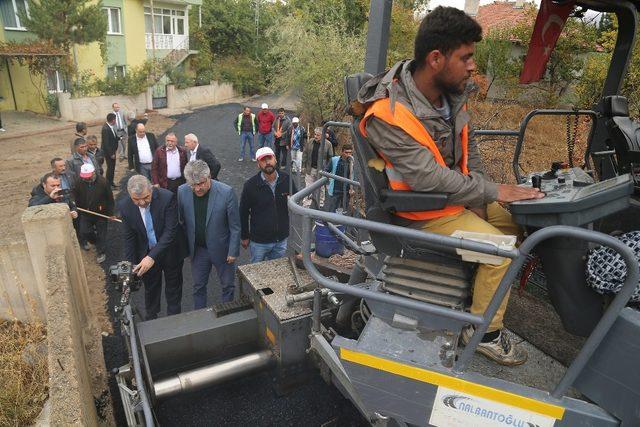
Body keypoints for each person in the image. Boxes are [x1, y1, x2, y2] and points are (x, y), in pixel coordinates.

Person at [356, 6, 544, 366]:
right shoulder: (387, 114)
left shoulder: (449, 94)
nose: (473, 66)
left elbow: (468, 149)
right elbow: (426, 177)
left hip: (452, 200)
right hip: (419, 210)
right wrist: (490, 191)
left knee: (520, 227)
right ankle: (484, 333)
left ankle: (476, 295)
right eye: (466, 57)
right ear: (436, 58)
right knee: (501, 251)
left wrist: (482, 191)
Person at [119, 175, 185, 320]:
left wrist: (151, 257)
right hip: (146, 253)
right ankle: (151, 316)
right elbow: (129, 237)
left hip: (170, 252)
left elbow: (170, 232)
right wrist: (130, 265)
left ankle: (174, 319)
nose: (142, 202)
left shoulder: (167, 198)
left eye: (146, 197)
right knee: (151, 287)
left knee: (173, 287)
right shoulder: (125, 206)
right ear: (129, 194)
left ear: (152, 190)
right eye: (136, 200)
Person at [177, 160, 240, 308]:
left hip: (223, 250)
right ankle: (200, 319)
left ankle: (227, 313)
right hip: (198, 251)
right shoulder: (182, 191)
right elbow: (181, 222)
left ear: (209, 176)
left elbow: (235, 226)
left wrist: (233, 251)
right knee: (198, 286)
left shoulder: (226, 192)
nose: (197, 188)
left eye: (201, 184)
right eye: (193, 185)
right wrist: (185, 248)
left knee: (228, 286)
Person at [240, 147, 298, 263]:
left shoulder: (286, 179)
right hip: (259, 242)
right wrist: (244, 236)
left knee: (276, 273)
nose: (267, 163)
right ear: (258, 164)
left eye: (269, 158)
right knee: (257, 273)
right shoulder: (250, 186)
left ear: (275, 159)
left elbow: (296, 199)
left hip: (281, 239)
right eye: (263, 160)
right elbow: (243, 212)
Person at [73, 164, 114, 263]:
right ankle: (96, 242)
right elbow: (75, 196)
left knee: (101, 234)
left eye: (88, 176)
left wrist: (111, 212)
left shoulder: (103, 182)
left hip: (101, 213)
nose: (86, 179)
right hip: (85, 212)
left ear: (94, 173)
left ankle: (101, 252)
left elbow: (110, 198)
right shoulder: (79, 182)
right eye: (84, 177)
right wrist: (76, 206)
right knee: (85, 231)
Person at [302, 127, 333, 207]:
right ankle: (307, 203)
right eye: (315, 134)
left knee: (321, 187)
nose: (315, 136)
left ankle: (321, 202)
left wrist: (327, 169)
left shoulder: (328, 144)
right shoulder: (310, 142)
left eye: (318, 135)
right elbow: (305, 154)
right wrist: (303, 166)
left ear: (323, 136)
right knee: (308, 186)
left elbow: (330, 158)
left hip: (322, 169)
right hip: (310, 168)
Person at [324, 144, 354, 213]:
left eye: (350, 153)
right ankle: (328, 222)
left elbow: (354, 176)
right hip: (336, 190)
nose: (348, 155)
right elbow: (326, 171)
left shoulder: (352, 162)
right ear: (342, 152)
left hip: (347, 191)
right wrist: (328, 183)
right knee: (332, 209)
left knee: (345, 211)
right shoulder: (334, 160)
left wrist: (352, 189)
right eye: (346, 152)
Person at [101, 113, 119, 188]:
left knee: (112, 167)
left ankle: (111, 182)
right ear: (113, 120)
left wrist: (119, 138)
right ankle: (108, 184)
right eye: (115, 119)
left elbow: (112, 138)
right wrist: (111, 154)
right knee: (110, 168)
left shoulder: (110, 126)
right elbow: (106, 143)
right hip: (109, 153)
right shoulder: (106, 129)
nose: (116, 121)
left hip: (112, 151)